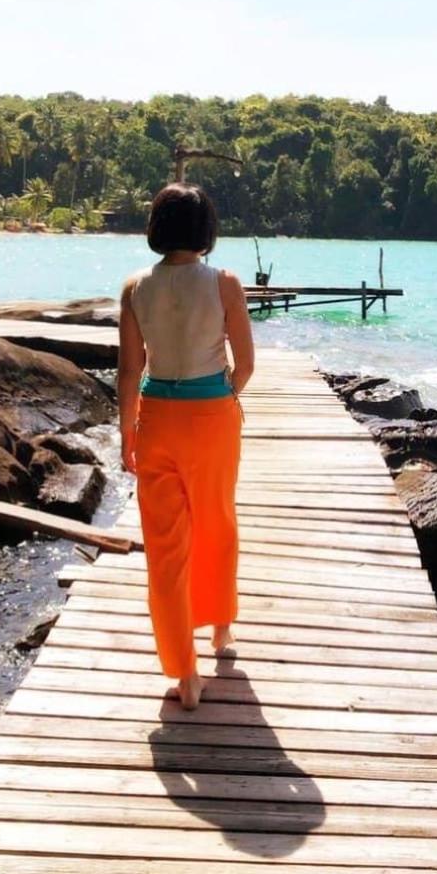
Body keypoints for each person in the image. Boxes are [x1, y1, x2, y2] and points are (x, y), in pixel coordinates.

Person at [117, 183, 254, 710]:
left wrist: (126, 432)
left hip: (156, 419)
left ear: (156, 227)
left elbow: (130, 371)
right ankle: (220, 629)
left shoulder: (134, 288)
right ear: (206, 231)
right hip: (212, 415)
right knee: (217, 521)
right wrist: (220, 396)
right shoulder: (224, 283)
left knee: (166, 550)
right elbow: (245, 365)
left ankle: (185, 673)